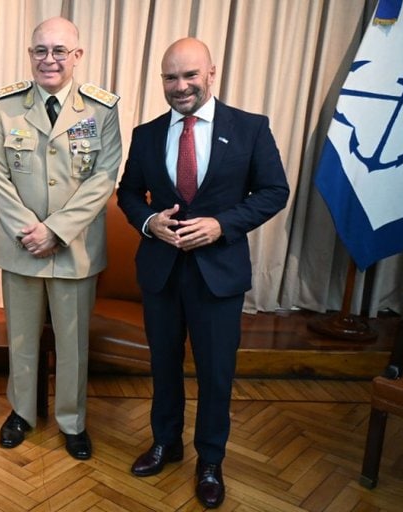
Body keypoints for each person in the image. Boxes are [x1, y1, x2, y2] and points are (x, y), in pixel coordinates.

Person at [117, 37, 289, 508]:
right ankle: (165, 443)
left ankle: (210, 459)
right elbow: (129, 194)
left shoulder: (251, 128)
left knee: (216, 372)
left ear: (211, 73)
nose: (180, 86)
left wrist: (222, 225)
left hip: (219, 274)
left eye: (190, 75)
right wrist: (150, 222)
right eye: (170, 77)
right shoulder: (146, 133)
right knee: (163, 366)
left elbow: (275, 191)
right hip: (162, 272)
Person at [0, 17, 122, 460]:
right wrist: (31, 231)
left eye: (59, 50)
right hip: (20, 244)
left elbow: (104, 178)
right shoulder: (5, 106)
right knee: (21, 339)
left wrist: (56, 231)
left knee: (73, 343)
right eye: (40, 50)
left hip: (75, 249)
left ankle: (71, 420)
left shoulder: (101, 110)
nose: (49, 59)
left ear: (77, 56)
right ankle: (22, 413)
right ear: (30, 55)